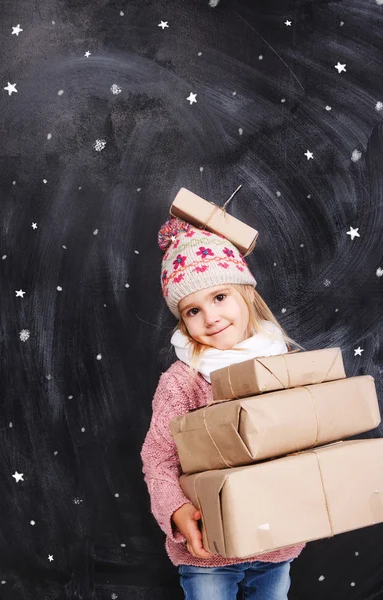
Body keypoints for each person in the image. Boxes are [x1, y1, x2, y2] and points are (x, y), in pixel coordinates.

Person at [141, 216, 305, 600]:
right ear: (182, 320)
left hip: (277, 548)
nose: (210, 317)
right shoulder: (182, 381)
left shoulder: (285, 365)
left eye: (219, 297)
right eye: (192, 310)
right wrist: (177, 511)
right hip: (208, 554)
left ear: (246, 293)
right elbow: (158, 457)